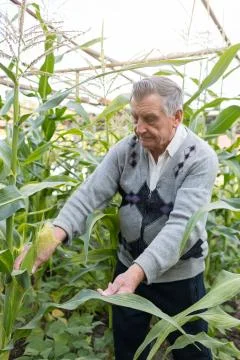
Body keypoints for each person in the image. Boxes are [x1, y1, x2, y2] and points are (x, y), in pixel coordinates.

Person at [15, 77, 218, 360]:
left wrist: (138, 271)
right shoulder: (127, 149)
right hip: (126, 269)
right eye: (135, 118)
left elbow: (183, 226)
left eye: (149, 119)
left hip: (180, 277)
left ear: (177, 117)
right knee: (128, 351)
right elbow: (90, 193)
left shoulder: (200, 158)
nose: (139, 128)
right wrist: (51, 235)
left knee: (193, 352)